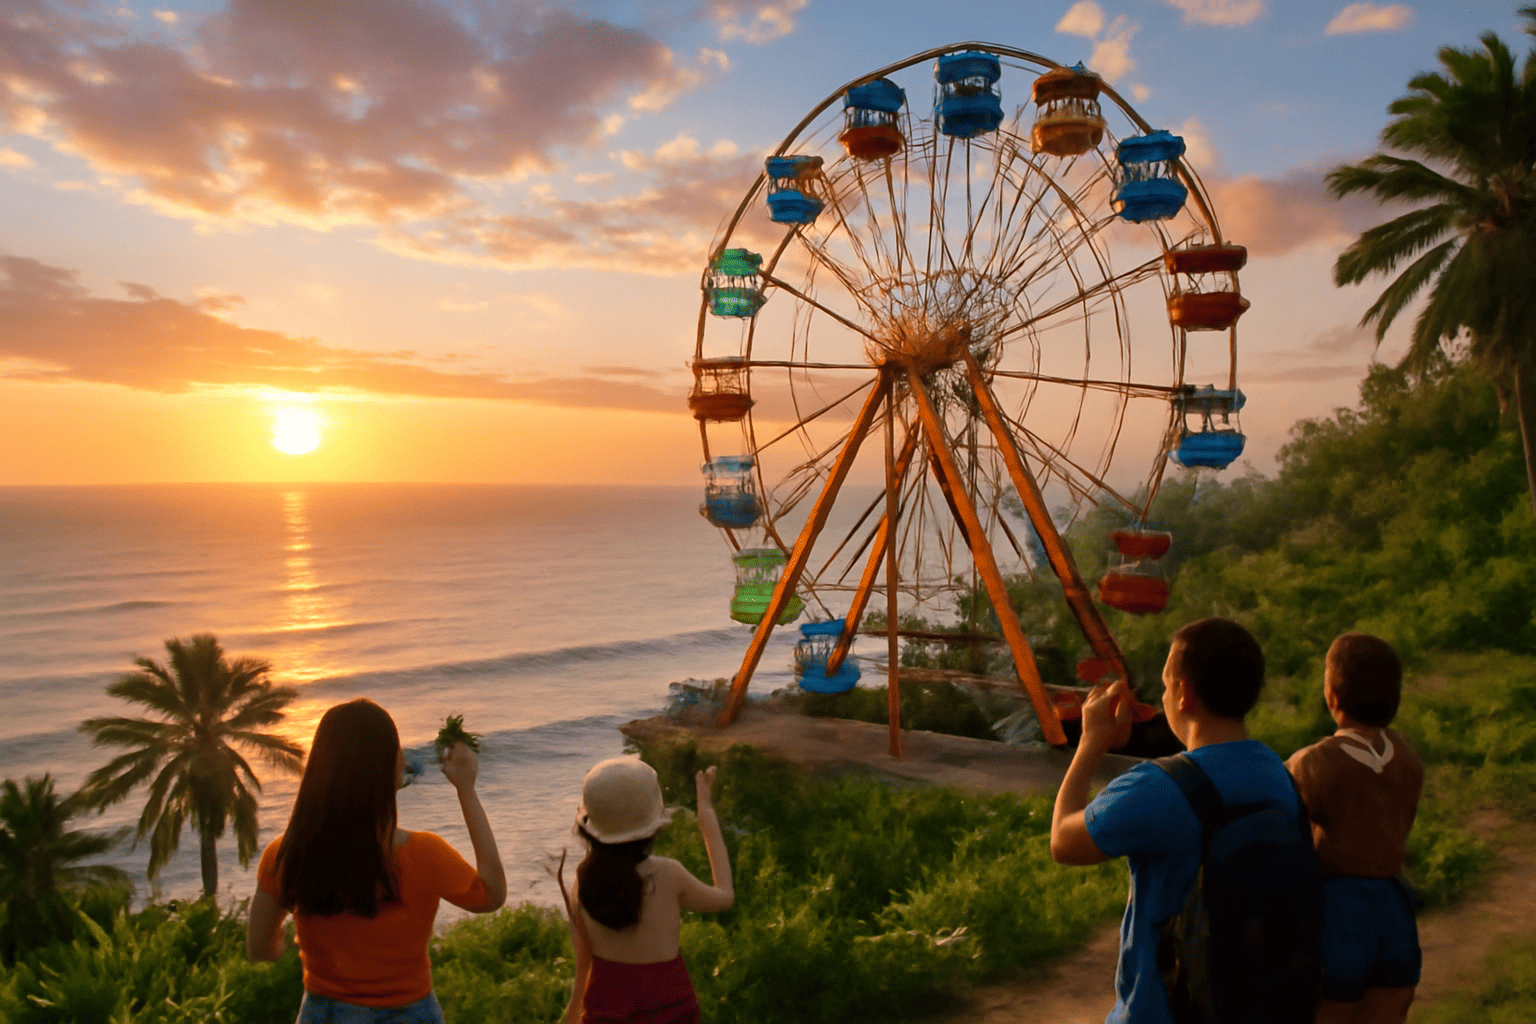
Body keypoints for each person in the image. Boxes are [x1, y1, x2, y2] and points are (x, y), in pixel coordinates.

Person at [1050, 617, 1302, 1024]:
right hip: (1252, 1003)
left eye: (1167, 685)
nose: (1165, 695)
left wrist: (1091, 742)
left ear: (1183, 694)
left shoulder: (1160, 786)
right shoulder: (1277, 774)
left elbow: (1064, 842)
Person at [246, 698, 507, 1023]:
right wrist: (466, 789)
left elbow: (259, 948)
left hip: (325, 1014)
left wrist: (278, 946)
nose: (404, 758)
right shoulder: (424, 854)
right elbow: (492, 895)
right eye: (397, 749)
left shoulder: (286, 855)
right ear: (384, 767)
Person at [1286, 634, 1423, 1024]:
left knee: (1329, 1010)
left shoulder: (1313, 762)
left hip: (1338, 912)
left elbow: (1282, 833)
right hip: (1395, 907)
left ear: (1332, 696)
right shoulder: (1407, 756)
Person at [559, 757, 733, 1024]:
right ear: (655, 825)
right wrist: (706, 811)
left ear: (589, 826)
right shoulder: (668, 874)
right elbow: (724, 897)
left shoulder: (582, 882)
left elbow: (583, 972)